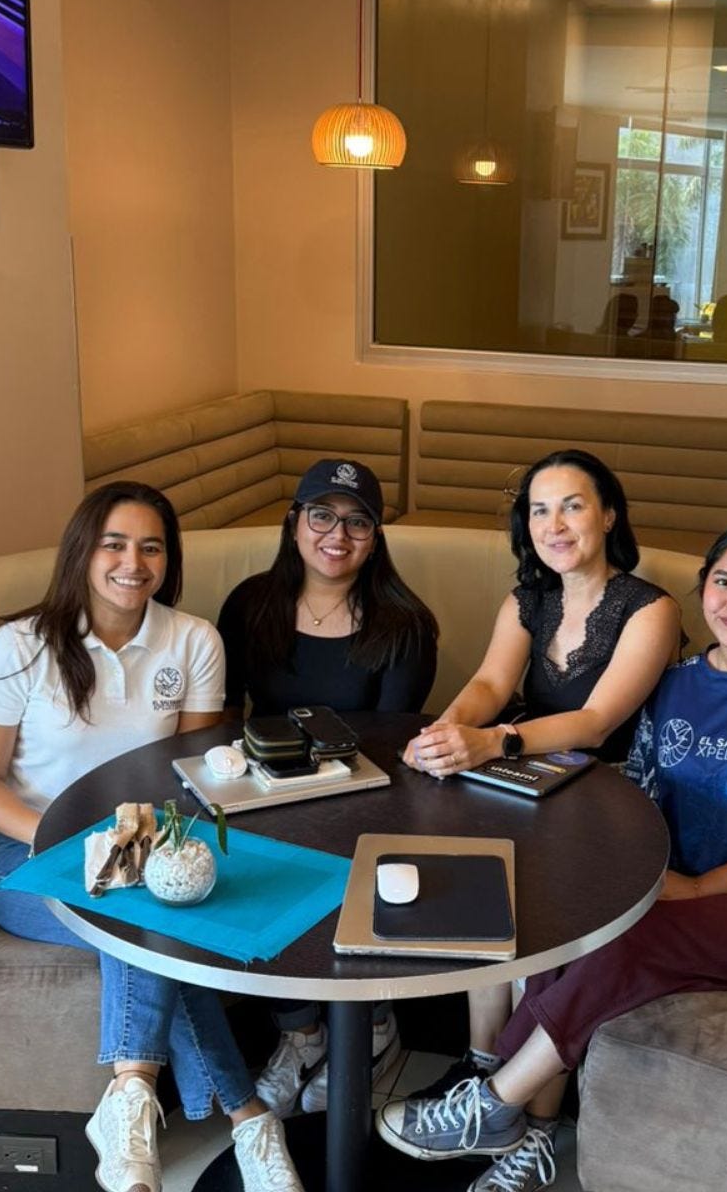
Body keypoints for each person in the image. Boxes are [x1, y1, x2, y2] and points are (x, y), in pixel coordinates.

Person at [377, 522, 727, 1192]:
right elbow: (639, 798)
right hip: (692, 887)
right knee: (580, 928)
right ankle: (534, 1137)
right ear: (703, 587)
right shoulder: (675, 685)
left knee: (633, 939)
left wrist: (699, 890)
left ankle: (492, 1105)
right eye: (724, 582)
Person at [0, 481, 303, 1192]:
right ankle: (245, 1117)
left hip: (145, 846)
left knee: (139, 900)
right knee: (137, 907)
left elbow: (189, 775)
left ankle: (136, 1104)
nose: (132, 563)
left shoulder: (194, 639)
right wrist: (71, 840)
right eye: (113, 544)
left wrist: (134, 849)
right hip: (23, 853)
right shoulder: (17, 645)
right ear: (82, 552)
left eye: (151, 547)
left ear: (168, 560)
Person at [401, 449, 680, 1098]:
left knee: (527, 890)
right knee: (472, 876)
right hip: (531, 777)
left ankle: (518, 1088)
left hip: (616, 790)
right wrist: (444, 733)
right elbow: (490, 683)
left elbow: (597, 723)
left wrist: (492, 741)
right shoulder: (530, 600)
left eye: (572, 507)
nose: (554, 525)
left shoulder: (650, 609)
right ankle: (479, 1063)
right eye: (539, 510)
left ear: (608, 516)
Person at [218, 457, 439, 1117]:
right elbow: (226, 716)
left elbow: (394, 745)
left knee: (346, 862)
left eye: (357, 522)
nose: (337, 535)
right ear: (294, 523)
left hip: (366, 800)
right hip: (266, 792)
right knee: (240, 865)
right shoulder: (250, 604)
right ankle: (302, 1032)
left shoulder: (404, 622)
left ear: (375, 538)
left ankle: (375, 1025)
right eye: (322, 515)